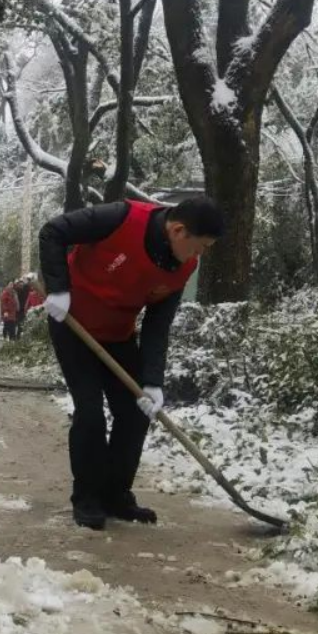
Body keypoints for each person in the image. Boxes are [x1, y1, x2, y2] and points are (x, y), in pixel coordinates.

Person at [39, 194, 223, 531]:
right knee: (90, 412)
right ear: (178, 231)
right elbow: (53, 231)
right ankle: (87, 497)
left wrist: (152, 381)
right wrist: (58, 288)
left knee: (135, 412)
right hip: (73, 325)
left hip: (118, 334)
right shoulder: (121, 218)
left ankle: (115, 495)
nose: (199, 256)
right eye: (199, 247)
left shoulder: (182, 268)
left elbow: (157, 324)